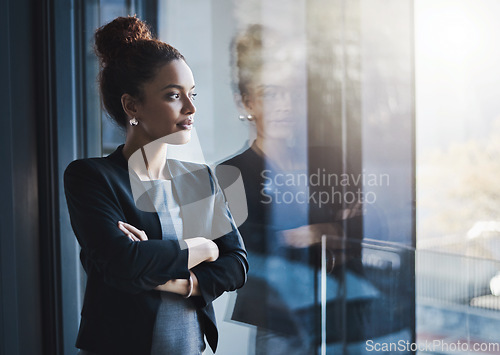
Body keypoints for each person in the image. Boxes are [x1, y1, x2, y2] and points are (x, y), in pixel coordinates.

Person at [64, 16, 248, 355]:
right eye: (174, 95)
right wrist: (203, 248)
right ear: (132, 105)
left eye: (191, 94)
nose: (191, 108)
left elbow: (236, 263)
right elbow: (122, 263)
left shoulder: (197, 179)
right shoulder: (91, 177)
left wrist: (180, 283)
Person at [218, 25, 388, 354]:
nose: (284, 105)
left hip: (345, 311)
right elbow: (249, 248)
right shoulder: (230, 173)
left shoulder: (329, 159)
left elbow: (375, 222)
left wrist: (317, 231)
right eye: (269, 93)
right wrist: (337, 230)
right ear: (246, 102)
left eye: (291, 94)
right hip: (281, 322)